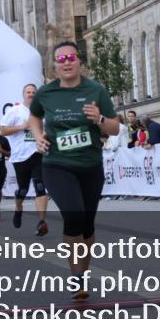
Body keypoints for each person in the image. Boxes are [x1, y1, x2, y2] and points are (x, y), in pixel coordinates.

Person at [28, 41, 120, 302]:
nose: (66, 62)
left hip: (90, 165)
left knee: (87, 225)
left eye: (71, 57)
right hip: (57, 164)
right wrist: (38, 137)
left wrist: (100, 119)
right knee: (73, 215)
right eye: (61, 59)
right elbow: (34, 117)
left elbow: (114, 128)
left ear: (80, 61)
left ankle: (83, 272)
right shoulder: (45, 93)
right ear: (54, 65)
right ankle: (76, 275)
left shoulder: (96, 90)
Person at [0, 83, 50, 236]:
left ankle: (41, 222)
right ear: (23, 95)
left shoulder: (42, 112)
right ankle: (18, 208)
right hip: (20, 157)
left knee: (40, 187)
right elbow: (3, 130)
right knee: (23, 189)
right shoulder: (15, 111)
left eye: (34, 92)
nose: (31, 94)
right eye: (28, 92)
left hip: (37, 153)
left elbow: (46, 130)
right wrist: (22, 126)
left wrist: (44, 136)